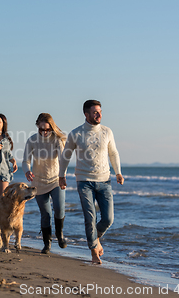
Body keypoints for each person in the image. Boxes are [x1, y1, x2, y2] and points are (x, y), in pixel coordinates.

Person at [59, 100, 124, 264]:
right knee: (90, 218)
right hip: (84, 181)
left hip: (105, 180)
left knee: (108, 219)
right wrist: (62, 175)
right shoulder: (76, 133)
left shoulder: (107, 131)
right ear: (86, 114)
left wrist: (118, 173)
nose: (99, 114)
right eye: (95, 112)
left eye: (100, 111)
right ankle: (94, 252)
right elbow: (66, 155)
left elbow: (113, 153)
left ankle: (95, 238)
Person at [23, 113, 67, 254]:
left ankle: (60, 235)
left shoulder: (56, 140)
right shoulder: (32, 141)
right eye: (42, 129)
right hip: (38, 183)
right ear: (37, 126)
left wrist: (62, 176)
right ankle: (47, 244)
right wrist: (27, 171)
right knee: (45, 214)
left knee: (59, 208)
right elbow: (25, 161)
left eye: (47, 129)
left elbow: (62, 160)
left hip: (55, 180)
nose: (45, 132)